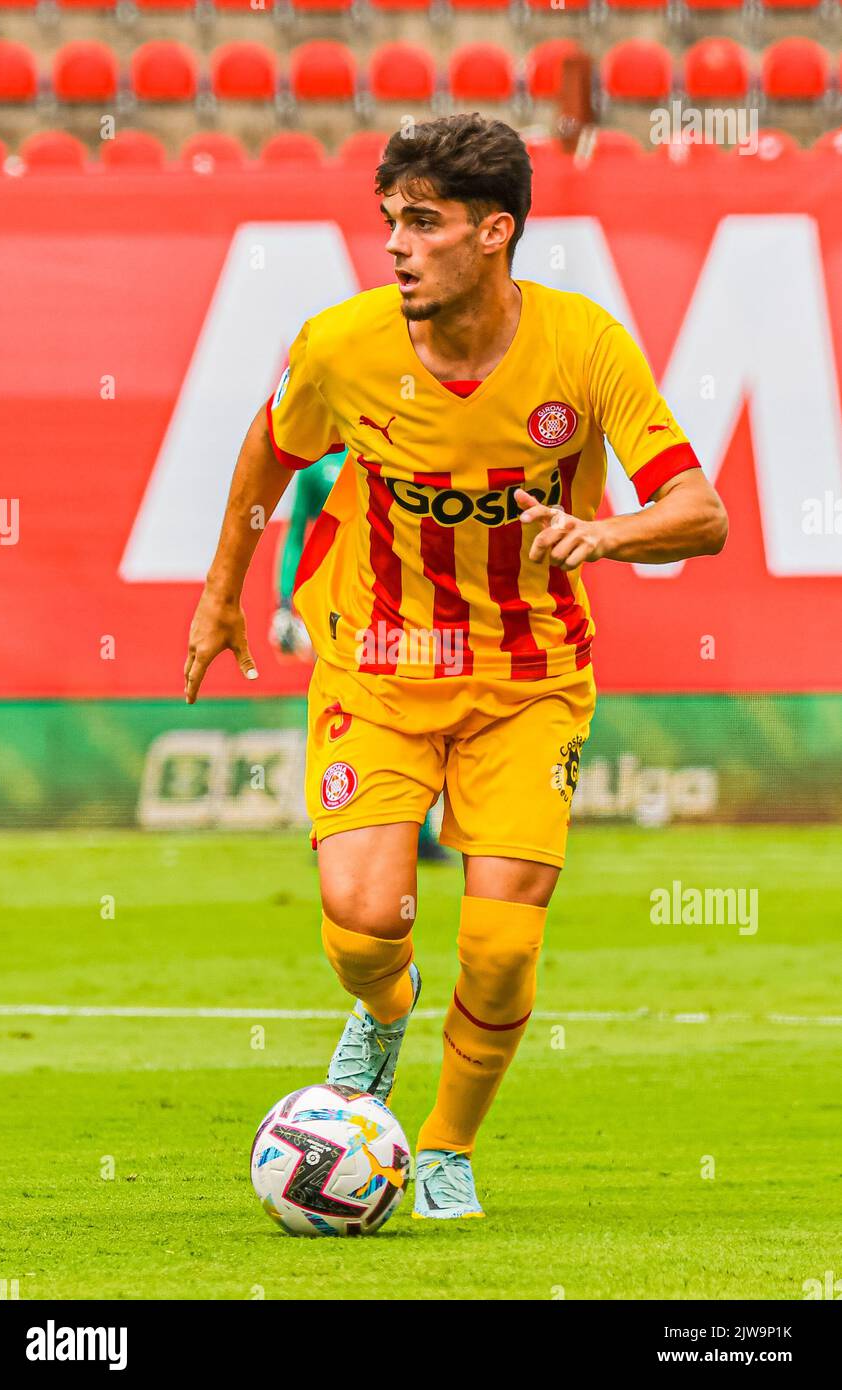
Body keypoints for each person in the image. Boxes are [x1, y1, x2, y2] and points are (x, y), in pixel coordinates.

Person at [185, 114, 727, 1220]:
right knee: (360, 918)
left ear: (494, 232)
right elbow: (267, 447)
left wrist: (604, 535)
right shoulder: (341, 346)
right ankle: (384, 1012)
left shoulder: (583, 348)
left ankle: (440, 1149)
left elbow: (699, 513)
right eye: (388, 220)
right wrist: (217, 593)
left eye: (421, 223)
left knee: (498, 939)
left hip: (529, 680)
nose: (394, 244)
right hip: (377, 662)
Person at [270, 450, 448, 860]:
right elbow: (297, 532)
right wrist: (285, 603)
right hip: (342, 615)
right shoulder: (320, 467)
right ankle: (335, 827)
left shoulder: (403, 447)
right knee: (338, 714)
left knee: (420, 713)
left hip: (407, 613)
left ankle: (417, 831)